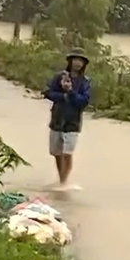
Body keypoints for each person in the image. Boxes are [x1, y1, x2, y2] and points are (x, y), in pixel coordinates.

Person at [43, 48, 91, 191]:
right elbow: (48, 93)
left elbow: (84, 101)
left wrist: (70, 91)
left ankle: (63, 182)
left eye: (80, 61)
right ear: (70, 61)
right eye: (75, 60)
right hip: (57, 118)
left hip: (73, 121)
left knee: (67, 153)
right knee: (56, 153)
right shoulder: (59, 77)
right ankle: (61, 179)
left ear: (83, 64)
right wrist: (62, 95)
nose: (77, 63)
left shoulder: (85, 82)